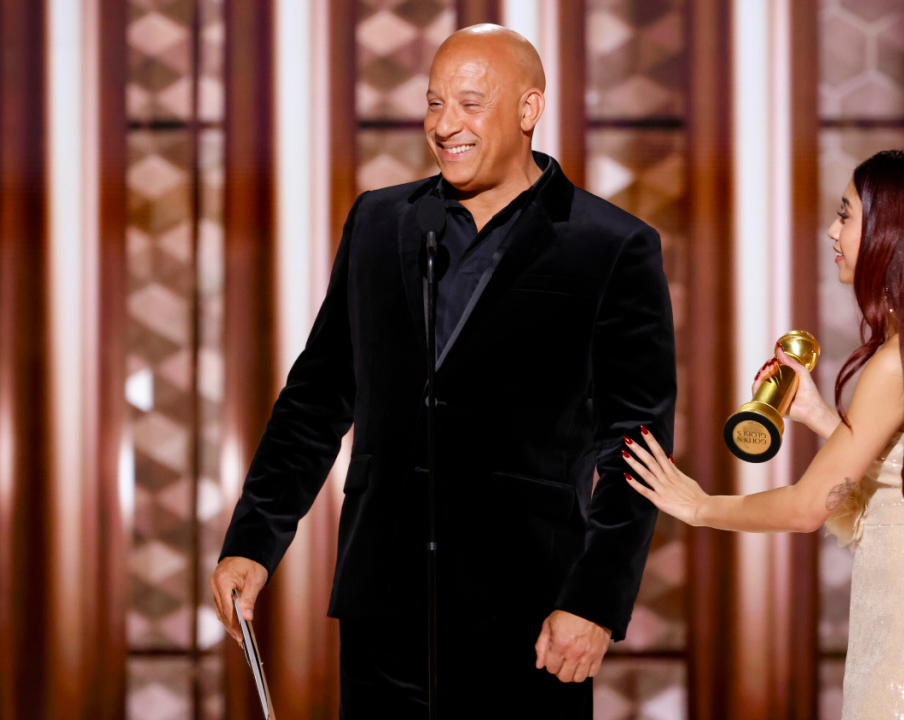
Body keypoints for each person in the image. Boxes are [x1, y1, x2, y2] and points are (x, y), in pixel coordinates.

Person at [209, 24, 677, 718]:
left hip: (528, 615)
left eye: (468, 104)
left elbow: (636, 445)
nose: (445, 125)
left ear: (528, 108)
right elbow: (318, 395)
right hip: (383, 610)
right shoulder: (378, 222)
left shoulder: (611, 247)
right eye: (433, 104)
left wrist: (595, 599)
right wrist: (254, 537)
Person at [624, 150, 904, 719]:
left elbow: (806, 507)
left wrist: (699, 506)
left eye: (846, 215)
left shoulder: (897, 362)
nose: (833, 230)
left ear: (891, 232)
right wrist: (825, 419)